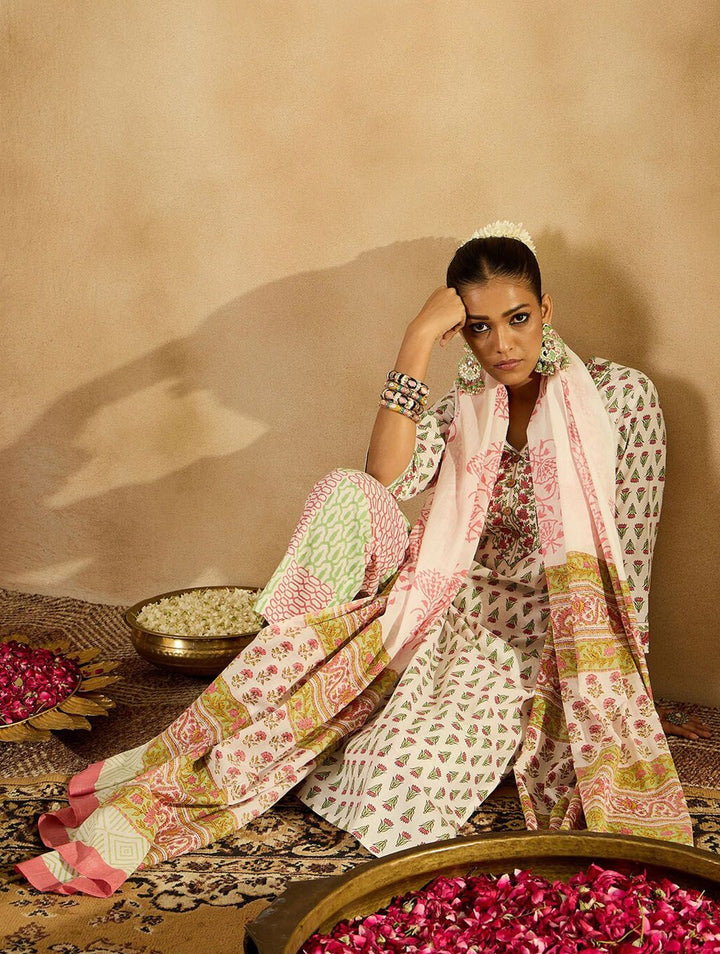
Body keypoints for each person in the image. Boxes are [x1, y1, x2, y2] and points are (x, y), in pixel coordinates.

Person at [17, 222, 709, 897]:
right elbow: (385, 476)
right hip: (448, 611)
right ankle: (298, 674)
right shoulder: (465, 405)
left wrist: (614, 689)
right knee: (345, 494)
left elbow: (628, 559)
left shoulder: (621, 399)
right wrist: (414, 342)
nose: (502, 344)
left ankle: (356, 712)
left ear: (546, 310)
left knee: (395, 788)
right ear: (459, 333)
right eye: (478, 327)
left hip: (550, 638)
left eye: (518, 319)